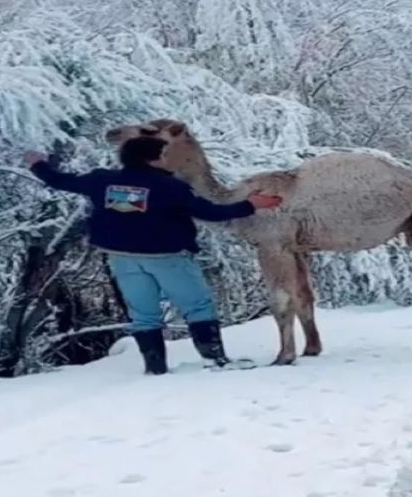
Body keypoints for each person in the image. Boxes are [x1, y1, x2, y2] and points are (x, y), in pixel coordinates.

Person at [25, 136, 283, 374]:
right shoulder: (170, 187)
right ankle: (215, 359)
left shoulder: (102, 180)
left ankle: (155, 367)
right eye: (164, 153)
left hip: (122, 257)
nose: (168, 157)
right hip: (168, 257)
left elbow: (60, 181)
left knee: (143, 313)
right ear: (153, 158)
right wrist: (251, 205)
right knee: (197, 306)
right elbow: (211, 213)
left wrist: (38, 165)